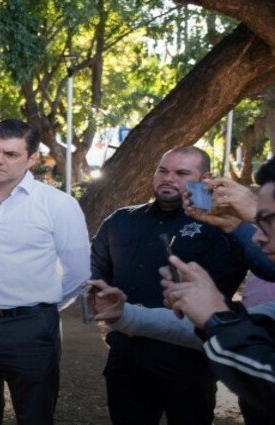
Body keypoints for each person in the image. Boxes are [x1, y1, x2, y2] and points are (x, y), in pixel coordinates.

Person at [0, 119, 90, 424]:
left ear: (32, 159)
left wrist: (41, 306)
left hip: (30, 327)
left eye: (11, 154)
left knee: (35, 416)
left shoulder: (58, 205)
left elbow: (77, 272)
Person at [89, 146, 248, 425]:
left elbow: (221, 290)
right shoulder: (121, 221)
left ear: (205, 179)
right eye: (162, 170)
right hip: (127, 355)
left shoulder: (221, 228)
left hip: (189, 360)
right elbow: (96, 273)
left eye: (182, 173)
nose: (168, 178)